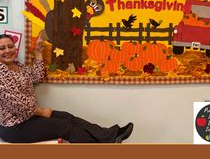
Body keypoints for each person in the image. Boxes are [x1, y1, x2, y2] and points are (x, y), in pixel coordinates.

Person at [0, 33, 133, 143]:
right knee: (65, 127)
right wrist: (40, 112)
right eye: (2, 48)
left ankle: (111, 135)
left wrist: (38, 53)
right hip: (14, 126)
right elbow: (14, 102)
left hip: (30, 117)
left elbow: (38, 76)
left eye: (10, 46)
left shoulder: (19, 67)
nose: (7, 51)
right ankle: (103, 150)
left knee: (68, 117)